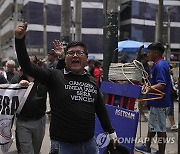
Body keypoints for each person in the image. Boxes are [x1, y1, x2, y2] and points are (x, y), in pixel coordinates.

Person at [15, 22, 118, 154]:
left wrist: (111, 132)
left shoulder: (92, 81)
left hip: (90, 145)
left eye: (79, 53)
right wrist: (19, 40)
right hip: (63, 147)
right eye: (71, 53)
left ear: (86, 58)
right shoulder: (54, 76)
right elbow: (27, 66)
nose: (75, 55)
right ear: (66, 58)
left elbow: (100, 108)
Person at [135, 42, 171, 154]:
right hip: (156, 102)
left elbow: (161, 85)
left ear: (156, 53)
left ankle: (161, 151)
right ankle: (147, 146)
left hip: (160, 103)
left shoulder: (160, 65)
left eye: (149, 52)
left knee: (160, 129)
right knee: (153, 126)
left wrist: (147, 89)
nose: (148, 54)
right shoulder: (158, 64)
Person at [11, 54, 47, 154]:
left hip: (39, 120)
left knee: (36, 150)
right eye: (25, 63)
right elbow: (8, 97)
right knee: (27, 151)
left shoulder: (43, 78)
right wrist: (18, 87)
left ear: (36, 64)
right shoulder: (16, 79)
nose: (27, 65)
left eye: (31, 63)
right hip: (22, 121)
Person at [167, 65, 178, 131]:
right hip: (169, 93)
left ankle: (172, 123)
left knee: (170, 109)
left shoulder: (169, 75)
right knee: (170, 109)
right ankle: (172, 124)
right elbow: (172, 85)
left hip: (169, 93)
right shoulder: (169, 76)